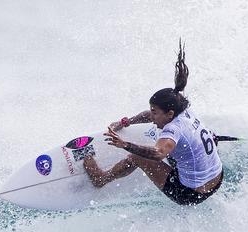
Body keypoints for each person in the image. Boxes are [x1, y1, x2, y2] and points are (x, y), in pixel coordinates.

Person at [83, 41, 223, 206]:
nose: (152, 116)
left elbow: (158, 153)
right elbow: (149, 116)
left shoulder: (173, 129)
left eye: (155, 112)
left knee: (138, 157)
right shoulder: (184, 109)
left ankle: (101, 179)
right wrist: (126, 122)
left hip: (191, 194)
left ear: (170, 114)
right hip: (218, 178)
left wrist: (125, 144)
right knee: (188, 145)